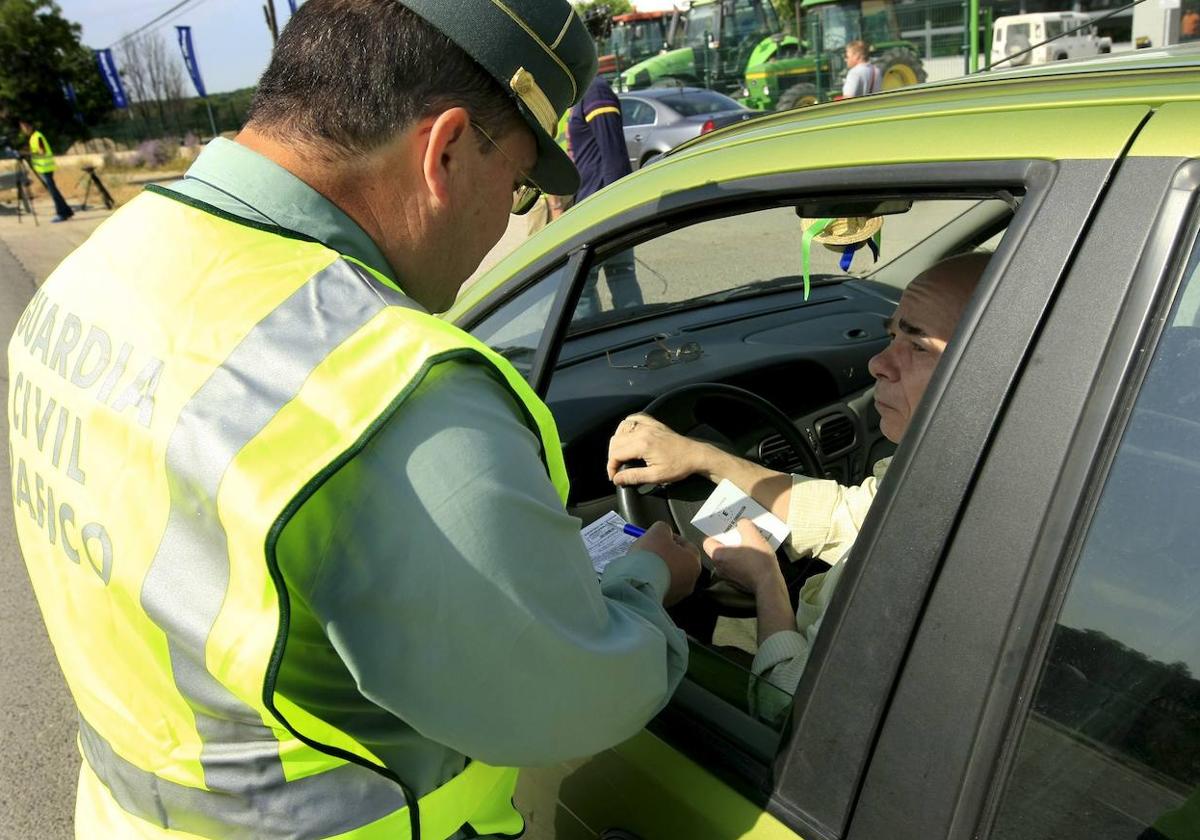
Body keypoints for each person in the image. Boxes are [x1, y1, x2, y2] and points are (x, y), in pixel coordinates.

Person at [7, 2, 701, 837]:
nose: (504, 222)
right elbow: (570, 697)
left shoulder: (103, 269)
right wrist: (651, 578)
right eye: (517, 184)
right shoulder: (392, 397)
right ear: (445, 151)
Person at [607, 251, 989, 724]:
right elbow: (847, 515)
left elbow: (790, 709)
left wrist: (766, 580)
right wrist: (703, 457)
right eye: (892, 336)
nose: (877, 363)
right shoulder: (954, 468)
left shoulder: (950, 539)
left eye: (918, 347)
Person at [568, 74, 643, 318]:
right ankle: (636, 337)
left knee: (582, 282)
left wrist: (616, 207)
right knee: (619, 272)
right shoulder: (586, 94)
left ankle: (590, 345)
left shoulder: (595, 91)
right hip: (596, 202)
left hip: (599, 206)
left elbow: (614, 154)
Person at [18, 119, 74, 222]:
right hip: (43, 168)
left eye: (24, 127)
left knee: (53, 192)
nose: (23, 130)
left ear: (29, 126)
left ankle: (62, 213)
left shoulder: (37, 136)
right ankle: (67, 211)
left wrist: (27, 154)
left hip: (46, 168)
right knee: (53, 191)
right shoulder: (33, 137)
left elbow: (42, 152)